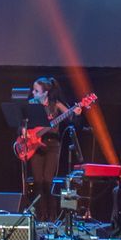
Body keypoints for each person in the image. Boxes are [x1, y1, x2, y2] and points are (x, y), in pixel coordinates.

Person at [20, 75, 85, 221]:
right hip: (35, 145)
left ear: (45, 93)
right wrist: (24, 131)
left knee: (47, 181)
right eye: (33, 90)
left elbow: (71, 117)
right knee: (37, 182)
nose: (33, 93)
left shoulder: (55, 105)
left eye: (36, 91)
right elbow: (22, 123)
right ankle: (40, 216)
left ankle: (51, 216)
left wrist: (76, 113)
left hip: (53, 146)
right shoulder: (31, 105)